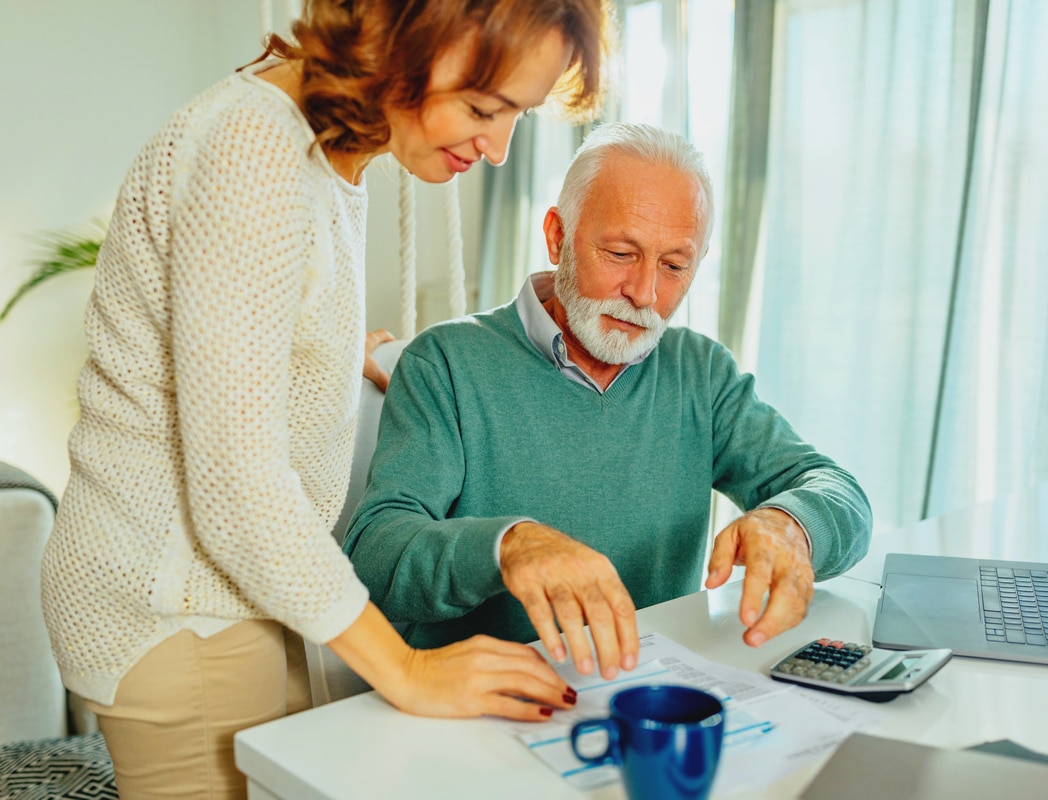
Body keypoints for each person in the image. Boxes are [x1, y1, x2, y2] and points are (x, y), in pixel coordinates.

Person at [39, 2, 614, 797]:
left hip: (234, 594)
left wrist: (358, 358)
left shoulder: (329, 146)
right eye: (484, 109)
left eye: (518, 113)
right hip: (174, 608)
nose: (497, 148)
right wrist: (409, 669)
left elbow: (250, 342)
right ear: (399, 37)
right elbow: (237, 494)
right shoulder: (254, 154)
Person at [343, 122, 872, 684]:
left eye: (674, 266)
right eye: (621, 253)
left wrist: (791, 524)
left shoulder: (701, 372)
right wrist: (506, 547)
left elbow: (839, 493)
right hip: (486, 703)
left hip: (648, 693)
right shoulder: (445, 363)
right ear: (557, 236)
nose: (644, 293)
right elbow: (375, 553)